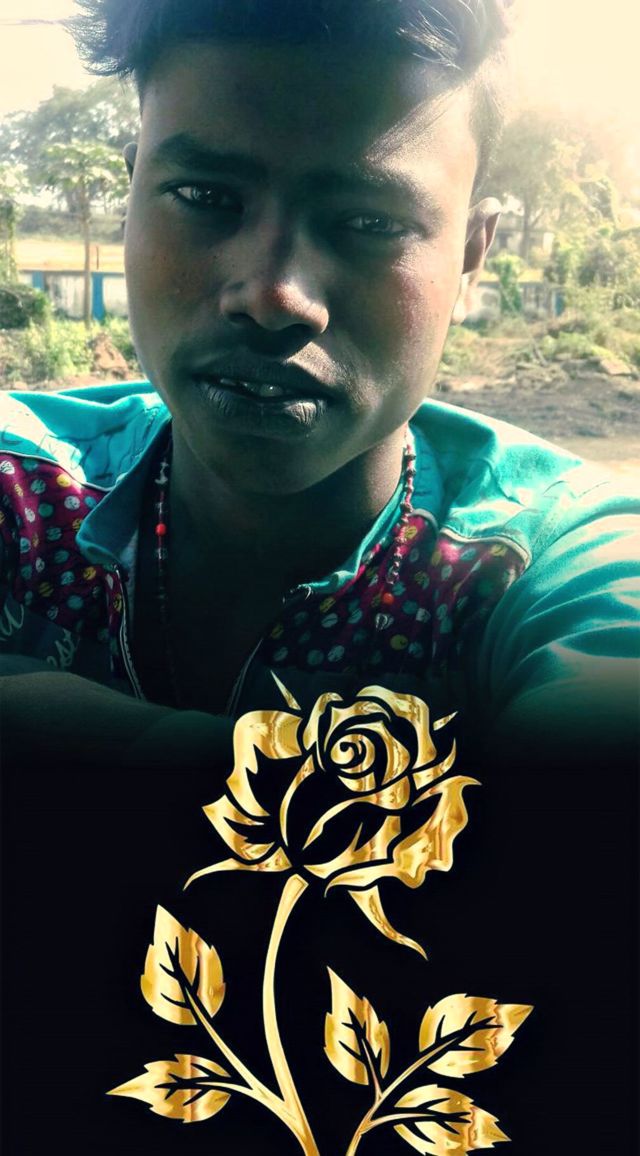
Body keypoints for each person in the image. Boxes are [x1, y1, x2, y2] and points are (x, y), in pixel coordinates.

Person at [0, 3, 637, 1155]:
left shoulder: (558, 561)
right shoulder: (17, 484)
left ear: (472, 250)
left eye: (369, 221)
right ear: (130, 186)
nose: (274, 290)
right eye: (205, 197)